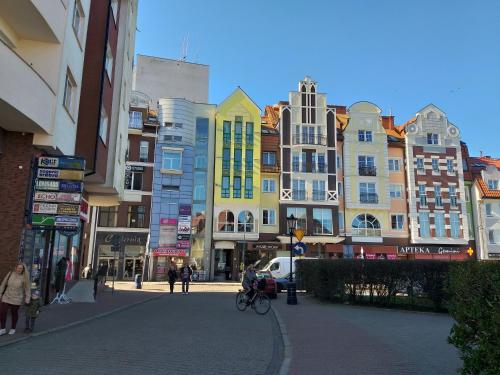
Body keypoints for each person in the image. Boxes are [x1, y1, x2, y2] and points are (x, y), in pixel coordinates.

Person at [0, 262, 31, 336]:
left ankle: (13, 328)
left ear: (23, 270)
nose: (19, 269)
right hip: (7, 296)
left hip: (17, 298)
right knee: (2, 312)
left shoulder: (24, 277)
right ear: (15, 268)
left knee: (14, 313)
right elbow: (3, 283)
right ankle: (3, 329)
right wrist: (0, 293)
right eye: (18, 268)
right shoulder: (10, 273)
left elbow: (27, 288)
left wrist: (27, 297)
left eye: (21, 268)